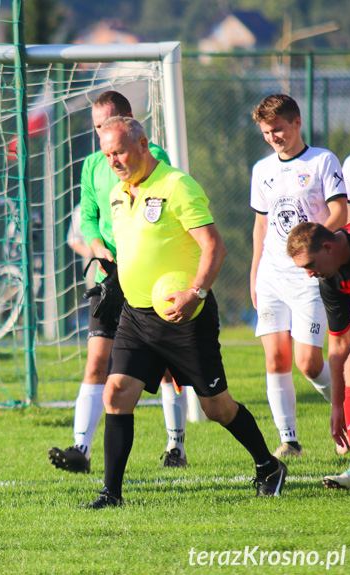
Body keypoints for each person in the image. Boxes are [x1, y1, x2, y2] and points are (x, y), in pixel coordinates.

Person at [84, 116, 286, 509]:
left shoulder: (177, 186)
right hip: (136, 316)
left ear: (143, 144)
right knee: (116, 392)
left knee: (216, 407)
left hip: (186, 318)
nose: (114, 161)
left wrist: (196, 292)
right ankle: (111, 494)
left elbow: (214, 247)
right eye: (107, 154)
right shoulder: (118, 194)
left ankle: (268, 465)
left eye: (120, 151)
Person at [48, 91, 189, 474]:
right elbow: (89, 216)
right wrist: (97, 247)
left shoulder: (153, 156)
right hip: (107, 277)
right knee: (96, 361)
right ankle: (81, 450)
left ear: (128, 121)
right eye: (96, 128)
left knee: (164, 366)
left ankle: (175, 444)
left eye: (108, 124)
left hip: (148, 275)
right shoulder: (93, 164)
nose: (103, 135)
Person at [250, 94, 346, 459]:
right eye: (265, 132)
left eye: (277, 129)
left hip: (309, 275)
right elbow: (261, 224)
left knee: (309, 363)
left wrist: (314, 246)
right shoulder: (262, 170)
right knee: (275, 358)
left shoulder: (322, 160)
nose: (273, 137)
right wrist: (255, 270)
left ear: (296, 123)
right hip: (272, 274)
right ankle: (289, 440)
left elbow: (338, 209)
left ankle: (347, 415)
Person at [287, 221, 350, 487]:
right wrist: (338, 405)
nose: (309, 274)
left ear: (328, 247)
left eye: (309, 265)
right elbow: (339, 345)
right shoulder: (330, 277)